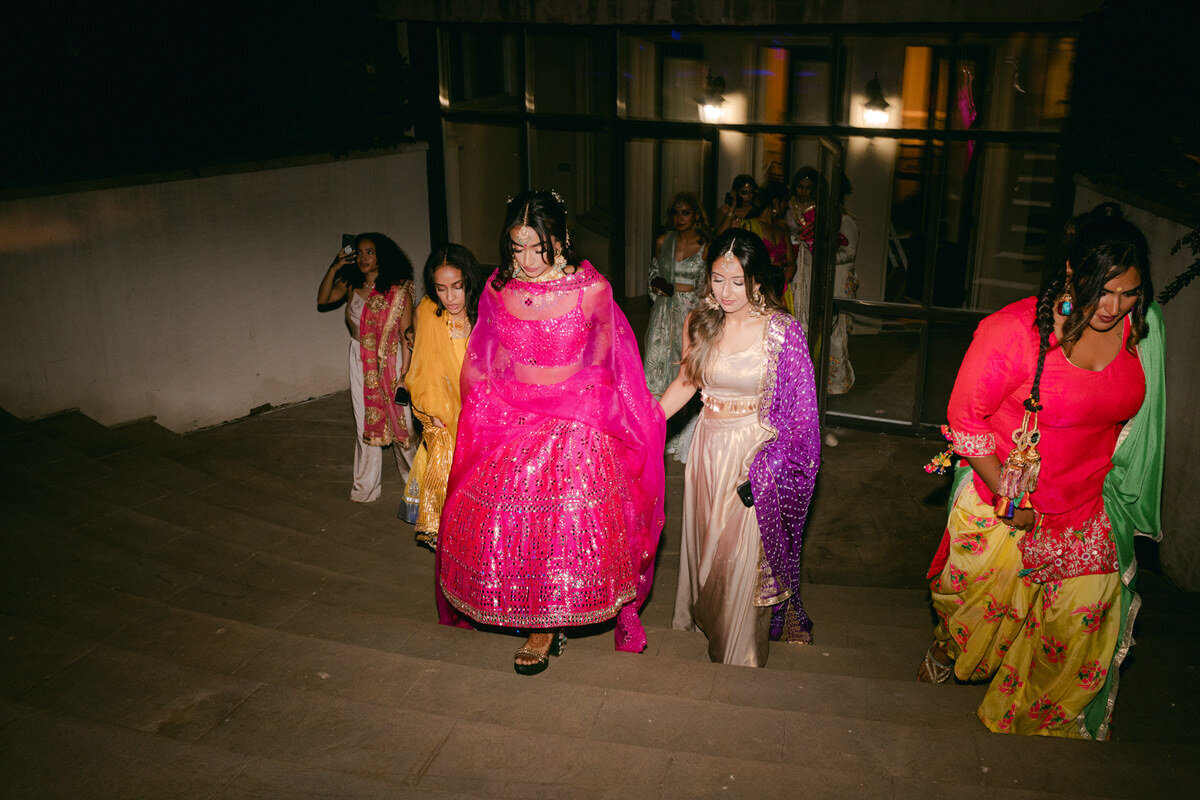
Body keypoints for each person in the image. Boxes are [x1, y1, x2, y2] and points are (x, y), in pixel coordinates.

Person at [918, 203, 1165, 741]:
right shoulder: (1013, 331)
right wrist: (1011, 502)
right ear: (1073, 272)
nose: (1114, 305)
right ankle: (947, 649)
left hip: (1087, 509)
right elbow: (965, 419)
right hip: (1004, 502)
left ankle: (1031, 732)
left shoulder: (1142, 330)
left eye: (1128, 292)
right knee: (980, 620)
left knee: (1073, 638)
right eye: (1104, 289)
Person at [437, 190, 667, 675]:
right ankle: (527, 609)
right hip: (512, 419)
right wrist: (490, 409)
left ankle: (544, 627)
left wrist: (568, 412)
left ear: (560, 240)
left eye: (536, 247)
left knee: (561, 524)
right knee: (507, 521)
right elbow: (487, 364)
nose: (525, 259)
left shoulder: (591, 291)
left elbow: (604, 368)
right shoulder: (497, 292)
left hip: (574, 421)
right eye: (516, 247)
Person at [659, 228, 822, 667]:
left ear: (757, 278)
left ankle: (738, 654)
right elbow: (686, 383)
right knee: (708, 552)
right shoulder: (699, 321)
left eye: (737, 281)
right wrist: (647, 425)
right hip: (707, 450)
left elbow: (801, 419)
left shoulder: (782, 333)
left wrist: (770, 469)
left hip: (756, 459)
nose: (726, 292)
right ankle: (707, 619)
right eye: (717, 279)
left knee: (740, 558)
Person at [317, 232, 418, 502]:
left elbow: (408, 334)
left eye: (370, 252)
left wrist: (404, 376)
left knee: (403, 424)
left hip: (392, 360)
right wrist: (336, 266)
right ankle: (366, 487)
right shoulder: (351, 284)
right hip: (359, 358)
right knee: (364, 422)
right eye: (359, 253)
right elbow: (323, 299)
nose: (363, 258)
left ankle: (416, 485)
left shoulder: (398, 288)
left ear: (382, 255)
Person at [405, 243, 486, 550]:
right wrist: (430, 410)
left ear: (469, 282)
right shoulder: (428, 311)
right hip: (444, 412)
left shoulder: (483, 311)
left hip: (482, 411)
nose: (450, 297)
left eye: (457, 287)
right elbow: (424, 366)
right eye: (441, 288)